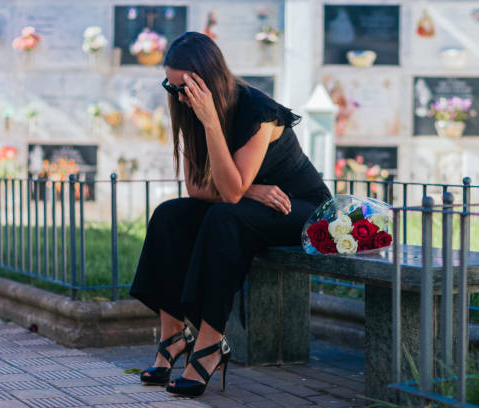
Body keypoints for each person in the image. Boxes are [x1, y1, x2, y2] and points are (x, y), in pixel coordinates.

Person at [129, 32, 331, 397]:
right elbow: (196, 186)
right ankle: (173, 335)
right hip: (254, 201)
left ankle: (210, 345)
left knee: (224, 218)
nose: (178, 96)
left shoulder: (260, 112)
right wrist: (251, 189)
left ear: (206, 81)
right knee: (169, 215)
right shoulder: (188, 109)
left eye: (184, 88)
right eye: (171, 87)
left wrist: (211, 124)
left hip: (299, 208)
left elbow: (230, 194)